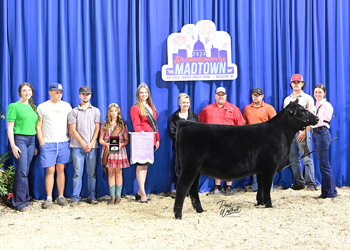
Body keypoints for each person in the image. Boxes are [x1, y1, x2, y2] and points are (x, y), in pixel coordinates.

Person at [198, 87, 245, 196]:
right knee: (215, 164)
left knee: (230, 164)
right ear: (215, 96)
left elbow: (241, 126)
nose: (220, 96)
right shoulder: (207, 109)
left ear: (226, 96)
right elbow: (199, 124)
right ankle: (217, 187)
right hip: (213, 142)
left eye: (222, 94)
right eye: (218, 94)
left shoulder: (234, 109)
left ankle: (229, 187)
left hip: (230, 142)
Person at [36, 83, 72, 209]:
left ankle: (61, 196)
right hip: (49, 143)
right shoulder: (42, 107)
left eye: (60, 92)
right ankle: (49, 197)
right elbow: (38, 126)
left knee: (61, 169)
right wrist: (42, 143)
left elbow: (71, 125)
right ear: (50, 92)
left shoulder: (67, 106)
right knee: (50, 170)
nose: (59, 94)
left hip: (63, 143)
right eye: (56, 92)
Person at [7, 82, 39, 212]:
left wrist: (35, 145)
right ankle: (19, 202)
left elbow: (34, 127)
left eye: (29, 90)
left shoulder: (33, 107)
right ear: (20, 92)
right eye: (24, 91)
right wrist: (13, 145)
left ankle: (25, 199)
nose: (27, 93)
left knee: (25, 171)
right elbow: (9, 127)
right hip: (19, 139)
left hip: (32, 140)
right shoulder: (14, 106)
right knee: (22, 171)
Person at [283, 74, 317, 190]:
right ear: (291, 84)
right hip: (290, 133)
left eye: (298, 82)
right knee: (293, 158)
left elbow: (311, 117)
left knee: (306, 158)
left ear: (302, 84)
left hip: (303, 131)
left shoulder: (308, 99)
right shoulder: (287, 100)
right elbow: (286, 118)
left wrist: (304, 132)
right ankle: (299, 182)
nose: (296, 84)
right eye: (294, 82)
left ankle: (311, 183)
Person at [68, 86, 101, 206]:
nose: (85, 96)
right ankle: (75, 197)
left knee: (91, 173)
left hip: (92, 147)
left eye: (87, 94)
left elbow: (97, 128)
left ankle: (91, 196)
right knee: (77, 173)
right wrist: (83, 143)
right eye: (83, 94)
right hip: (77, 147)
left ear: (90, 95)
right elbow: (72, 129)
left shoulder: (96, 111)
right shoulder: (73, 112)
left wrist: (92, 143)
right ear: (79, 96)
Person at [130, 83, 160, 203]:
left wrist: (157, 139)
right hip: (142, 139)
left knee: (146, 166)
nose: (144, 94)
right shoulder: (135, 108)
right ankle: (143, 194)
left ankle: (139, 192)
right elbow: (136, 124)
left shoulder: (152, 108)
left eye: (146, 92)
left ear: (148, 94)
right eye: (142, 92)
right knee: (140, 166)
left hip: (151, 139)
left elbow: (155, 126)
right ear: (138, 94)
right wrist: (142, 134)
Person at [243, 87, 276, 192]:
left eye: (257, 95)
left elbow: (275, 125)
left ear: (262, 96)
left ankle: (268, 187)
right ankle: (256, 185)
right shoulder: (247, 108)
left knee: (267, 164)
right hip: (251, 140)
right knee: (253, 163)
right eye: (253, 95)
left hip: (266, 141)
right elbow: (244, 124)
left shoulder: (269, 108)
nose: (255, 97)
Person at [99, 103, 130, 204]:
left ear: (118, 112)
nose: (113, 113)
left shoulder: (123, 125)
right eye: (111, 111)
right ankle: (112, 197)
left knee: (119, 173)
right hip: (108, 151)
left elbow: (126, 140)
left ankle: (118, 197)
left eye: (115, 111)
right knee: (111, 173)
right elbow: (100, 140)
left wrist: (121, 144)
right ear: (109, 112)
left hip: (119, 151)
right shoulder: (105, 125)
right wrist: (107, 144)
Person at [312, 84, 337, 198]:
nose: (317, 94)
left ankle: (329, 192)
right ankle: (330, 190)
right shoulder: (316, 105)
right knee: (323, 164)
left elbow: (319, 121)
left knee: (324, 164)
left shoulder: (326, 105)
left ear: (324, 93)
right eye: (316, 92)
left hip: (322, 133)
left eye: (320, 92)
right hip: (317, 134)